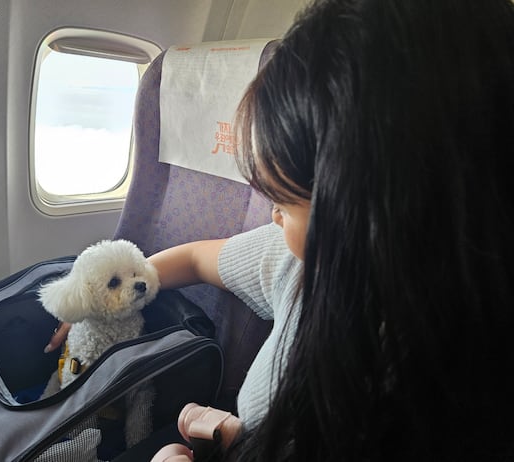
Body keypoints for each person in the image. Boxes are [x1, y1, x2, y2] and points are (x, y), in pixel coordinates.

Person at [52, 0, 514, 459]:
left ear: (370, 209)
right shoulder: (295, 261)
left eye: (284, 203)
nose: (272, 216)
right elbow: (194, 258)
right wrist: (95, 305)